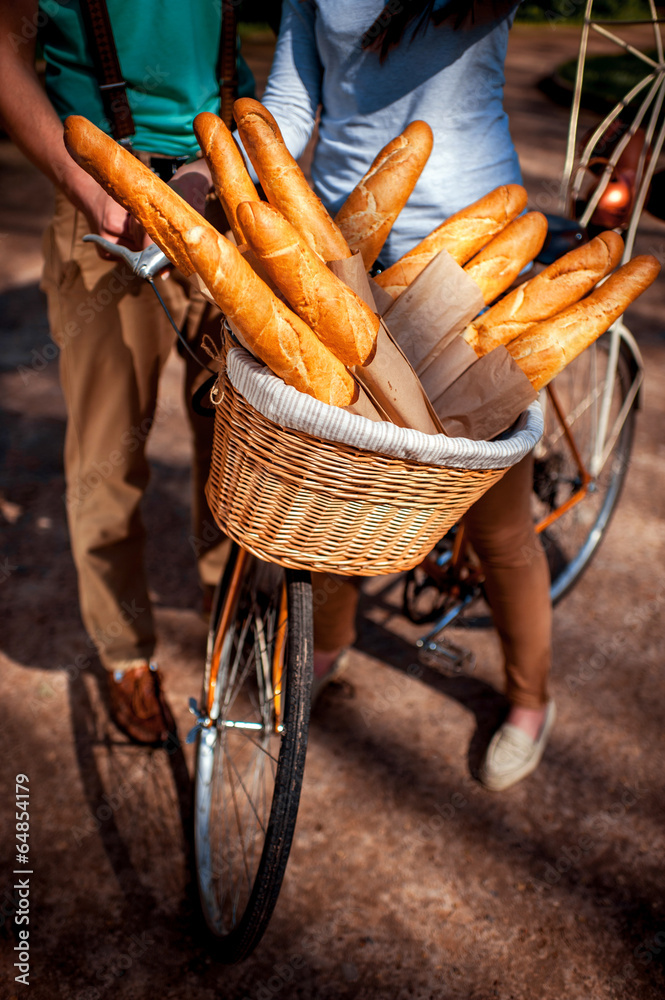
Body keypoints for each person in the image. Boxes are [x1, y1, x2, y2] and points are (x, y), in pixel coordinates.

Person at [252, 0, 555, 790]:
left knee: (495, 516)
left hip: (470, 246)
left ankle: (529, 699)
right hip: (338, 243)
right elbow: (292, 99)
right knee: (337, 477)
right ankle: (327, 642)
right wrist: (243, 186)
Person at [0, 0, 255, 745]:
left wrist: (218, 166)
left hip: (221, 193)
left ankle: (227, 613)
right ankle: (120, 652)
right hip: (101, 194)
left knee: (237, 436)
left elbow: (228, 63)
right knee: (109, 452)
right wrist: (90, 190)